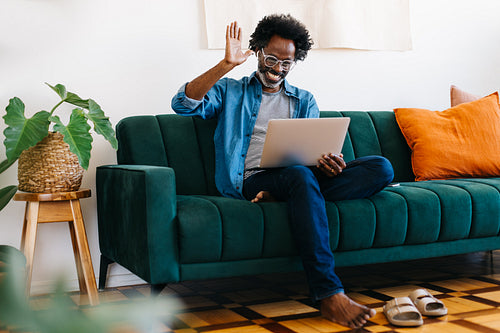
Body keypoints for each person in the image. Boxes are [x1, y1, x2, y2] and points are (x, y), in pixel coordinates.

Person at [171, 14, 394, 329]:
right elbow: (183, 104)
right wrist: (226, 64)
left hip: (298, 177)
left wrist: (327, 164)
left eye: (286, 63)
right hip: (252, 181)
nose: (277, 69)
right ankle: (329, 293)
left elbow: (310, 153)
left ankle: (282, 196)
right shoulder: (230, 91)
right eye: (271, 59)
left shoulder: (305, 100)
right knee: (299, 178)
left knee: (380, 168)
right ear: (259, 51)